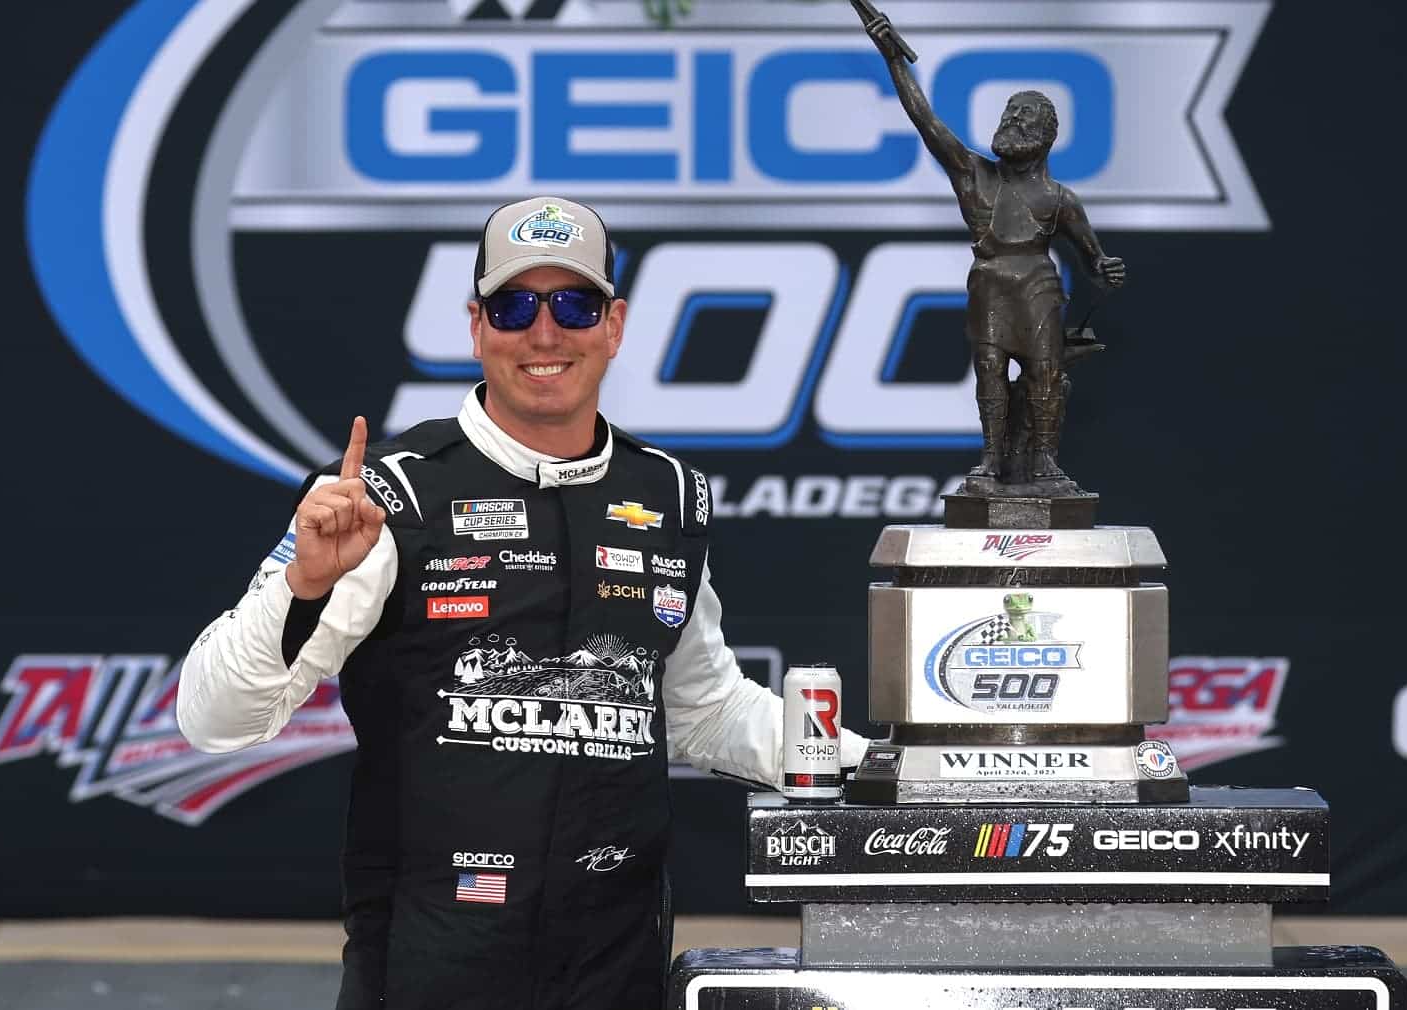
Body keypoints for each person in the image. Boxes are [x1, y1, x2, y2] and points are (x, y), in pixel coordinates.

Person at [177, 196, 869, 1010]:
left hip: (616, 959)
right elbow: (212, 718)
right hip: (434, 957)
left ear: (613, 325)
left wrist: (874, 767)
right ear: (477, 326)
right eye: (515, 306)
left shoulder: (671, 496)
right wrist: (305, 586)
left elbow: (703, 710)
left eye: (573, 305)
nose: (545, 334)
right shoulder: (388, 495)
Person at [865, 15, 1126, 487]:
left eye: (1023, 116)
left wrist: (1106, 270)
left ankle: (1044, 460)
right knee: (989, 371)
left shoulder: (1061, 199)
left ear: (1046, 136)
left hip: (1039, 289)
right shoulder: (973, 175)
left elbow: (1095, 263)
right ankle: (990, 458)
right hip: (989, 283)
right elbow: (925, 120)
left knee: (1045, 374)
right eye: (1008, 113)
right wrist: (894, 61)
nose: (1010, 121)